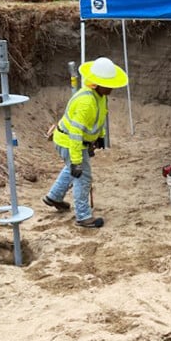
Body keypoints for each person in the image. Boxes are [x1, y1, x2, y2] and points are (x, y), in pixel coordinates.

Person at [42, 57, 128, 228]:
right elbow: (75, 133)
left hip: (74, 141)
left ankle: (54, 197)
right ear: (97, 83)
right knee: (82, 176)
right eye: (108, 84)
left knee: (72, 171)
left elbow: (99, 117)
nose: (111, 88)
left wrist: (99, 137)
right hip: (69, 142)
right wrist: (76, 160)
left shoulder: (100, 96)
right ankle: (83, 216)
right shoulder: (86, 101)